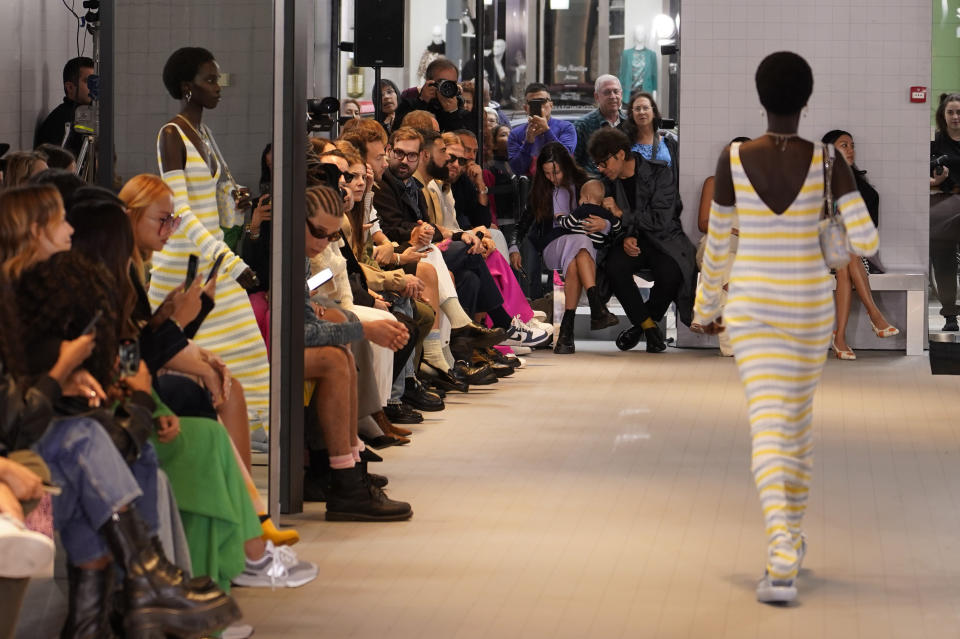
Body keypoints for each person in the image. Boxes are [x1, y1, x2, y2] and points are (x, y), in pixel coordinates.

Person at [693, 52, 879, 604]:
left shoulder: (732, 159)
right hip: (807, 308)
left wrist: (706, 308)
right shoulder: (829, 161)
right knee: (793, 428)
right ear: (806, 98)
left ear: (760, 96)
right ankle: (784, 547)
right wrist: (835, 222)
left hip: (750, 307)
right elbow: (865, 244)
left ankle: (784, 547)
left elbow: (719, 245)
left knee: (768, 426)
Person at [152, 47, 270, 430]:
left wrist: (237, 204)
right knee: (203, 353)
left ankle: (248, 427)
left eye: (217, 78)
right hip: (186, 264)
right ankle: (236, 427)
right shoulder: (171, 134)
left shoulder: (203, 133)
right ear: (188, 88)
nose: (218, 87)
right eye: (209, 79)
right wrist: (232, 262)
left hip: (212, 255)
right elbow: (181, 212)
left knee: (245, 349)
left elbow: (209, 206)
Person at [302, 185, 414, 521]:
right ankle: (346, 476)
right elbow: (301, 332)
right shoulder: (282, 253)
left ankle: (344, 463)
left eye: (331, 235)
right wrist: (365, 329)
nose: (323, 242)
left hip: (275, 336)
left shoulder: (300, 254)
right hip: (261, 348)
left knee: (340, 327)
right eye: (318, 233)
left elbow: (325, 294)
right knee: (337, 355)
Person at [589, 127, 695, 352]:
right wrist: (625, 236)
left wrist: (623, 215)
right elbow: (609, 222)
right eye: (597, 164)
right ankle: (648, 326)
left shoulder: (659, 173)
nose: (601, 169)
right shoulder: (607, 183)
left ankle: (640, 328)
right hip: (632, 241)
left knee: (672, 272)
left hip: (664, 239)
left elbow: (662, 219)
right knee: (615, 265)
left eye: (603, 163)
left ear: (619, 154)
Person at [519, 143, 618, 354]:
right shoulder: (541, 190)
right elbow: (524, 224)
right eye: (546, 173)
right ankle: (596, 306)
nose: (552, 178)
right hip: (553, 245)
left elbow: (610, 217)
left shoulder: (588, 184)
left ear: (567, 165)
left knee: (577, 255)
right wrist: (512, 246)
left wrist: (605, 224)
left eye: (556, 171)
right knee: (579, 242)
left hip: (585, 248)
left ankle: (566, 332)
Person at [820, 130, 898, 358]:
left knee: (845, 266)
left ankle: (840, 338)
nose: (851, 150)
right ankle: (874, 314)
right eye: (844, 145)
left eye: (852, 145)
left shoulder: (860, 183)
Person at [696, 137, 750, 357]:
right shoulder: (713, 183)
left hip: (741, 252)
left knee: (727, 270)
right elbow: (703, 224)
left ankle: (702, 316)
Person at [929, 92, 960, 331]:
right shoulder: (936, 142)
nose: (955, 117)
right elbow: (924, 178)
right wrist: (937, 180)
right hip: (944, 203)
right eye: (950, 112)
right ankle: (950, 315)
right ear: (943, 115)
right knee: (943, 262)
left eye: (959, 112)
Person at [620, 91, 681, 211]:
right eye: (637, 109)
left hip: (664, 207)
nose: (642, 112)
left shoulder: (670, 143)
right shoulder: (624, 145)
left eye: (645, 108)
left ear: (653, 112)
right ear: (631, 114)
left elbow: (676, 176)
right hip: (634, 207)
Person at [507, 83, 577, 176]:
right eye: (533, 103)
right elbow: (517, 169)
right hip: (530, 186)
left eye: (542, 101)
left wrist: (547, 131)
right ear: (525, 108)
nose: (539, 106)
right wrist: (528, 142)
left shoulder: (566, 127)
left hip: (561, 184)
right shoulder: (515, 133)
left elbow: (565, 159)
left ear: (551, 105)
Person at [34, 57, 94, 157]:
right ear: (70, 87)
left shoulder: (91, 114)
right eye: (88, 82)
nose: (95, 86)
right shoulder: (60, 120)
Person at [395, 57, 474, 133]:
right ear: (429, 81)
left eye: (452, 83)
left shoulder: (463, 114)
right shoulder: (409, 106)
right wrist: (422, 102)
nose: (447, 87)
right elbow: (400, 132)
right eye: (442, 82)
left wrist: (453, 113)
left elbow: (464, 141)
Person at [574, 75, 626, 175]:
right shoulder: (583, 125)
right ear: (596, 97)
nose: (613, 96)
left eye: (616, 91)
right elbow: (574, 163)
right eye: (607, 92)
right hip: (596, 187)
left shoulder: (630, 123)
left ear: (621, 94)